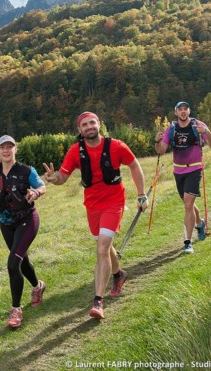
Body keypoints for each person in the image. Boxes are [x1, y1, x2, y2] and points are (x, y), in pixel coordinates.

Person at [42, 112, 147, 320]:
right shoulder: (75, 151)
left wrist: (142, 194)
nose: (89, 126)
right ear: (79, 130)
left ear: (99, 124)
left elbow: (134, 165)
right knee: (105, 247)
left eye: (92, 122)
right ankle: (119, 275)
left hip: (114, 202)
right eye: (84, 124)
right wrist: (54, 179)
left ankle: (98, 301)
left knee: (101, 249)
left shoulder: (116, 146)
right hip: (92, 206)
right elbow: (63, 176)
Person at [0, 135, 47, 329]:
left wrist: (36, 192)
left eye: (10, 147)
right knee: (21, 260)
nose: (6, 150)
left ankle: (16, 310)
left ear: (15, 149)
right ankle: (38, 286)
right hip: (6, 223)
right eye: (3, 147)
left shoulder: (27, 170)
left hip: (27, 219)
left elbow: (42, 186)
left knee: (12, 264)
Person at [154, 101, 211, 254]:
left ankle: (187, 242)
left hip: (194, 168)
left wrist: (206, 132)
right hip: (178, 171)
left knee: (188, 204)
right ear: (176, 113)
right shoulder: (172, 128)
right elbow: (161, 151)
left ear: (189, 111)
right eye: (179, 109)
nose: (183, 112)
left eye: (185, 109)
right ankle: (200, 222)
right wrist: (156, 141)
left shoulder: (198, 125)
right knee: (188, 203)